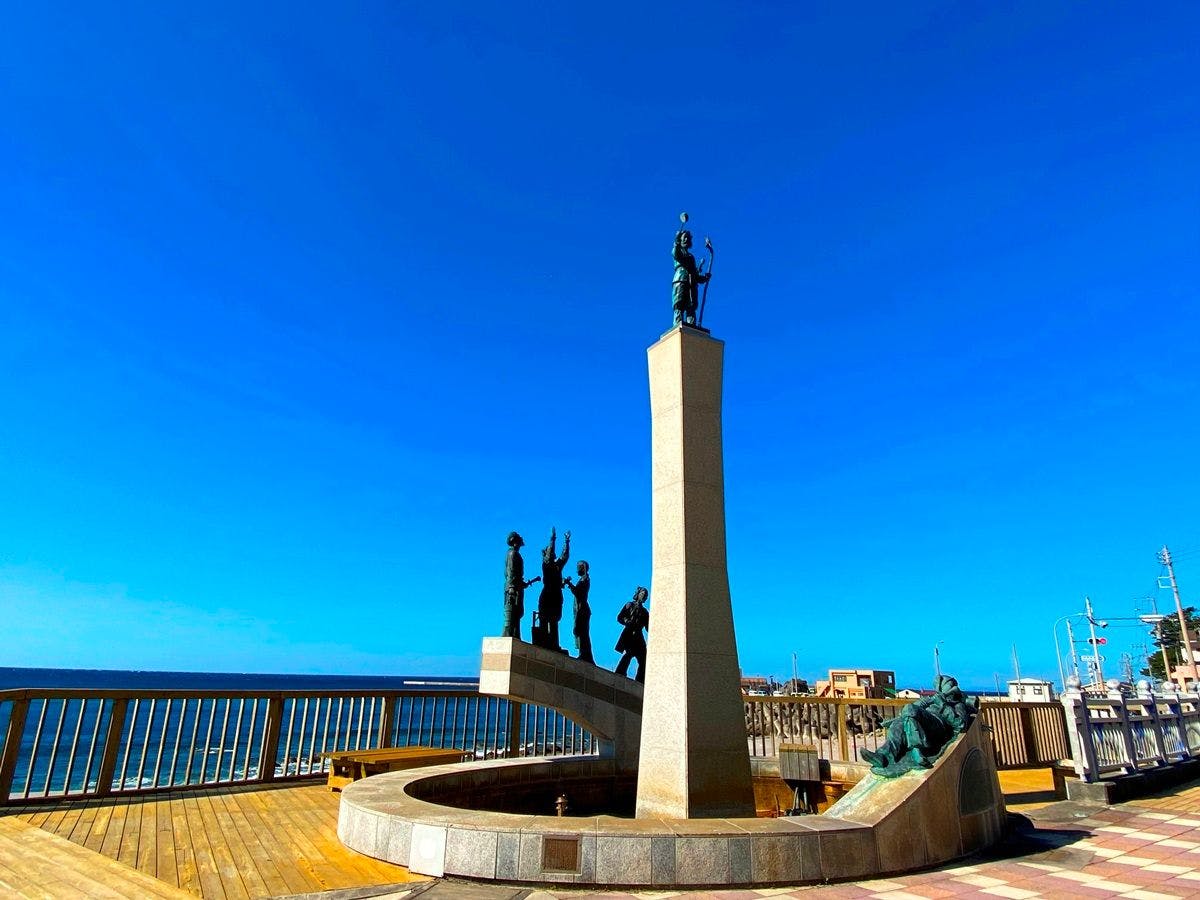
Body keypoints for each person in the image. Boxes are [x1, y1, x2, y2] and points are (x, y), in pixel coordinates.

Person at [537, 528, 570, 651]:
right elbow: (550, 553)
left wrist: (567, 541)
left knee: (554, 621)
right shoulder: (546, 565)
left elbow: (565, 556)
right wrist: (553, 539)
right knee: (544, 620)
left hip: (556, 595)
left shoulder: (557, 567)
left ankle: (554, 644)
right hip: (547, 595)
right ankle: (543, 642)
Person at [502, 532, 539, 639]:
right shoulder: (512, 554)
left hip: (517, 586)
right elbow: (511, 571)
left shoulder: (515, 554)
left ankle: (515, 634)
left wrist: (522, 584)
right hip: (513, 588)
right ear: (515, 542)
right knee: (511, 611)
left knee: (517, 612)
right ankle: (508, 633)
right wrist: (512, 587)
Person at [672, 228, 710, 327]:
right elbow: (675, 254)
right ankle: (677, 326)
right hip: (680, 280)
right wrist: (676, 243)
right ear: (679, 240)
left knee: (691, 307)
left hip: (691, 283)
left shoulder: (691, 257)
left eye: (688, 238)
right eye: (684, 238)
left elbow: (695, 275)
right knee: (679, 305)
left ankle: (691, 328)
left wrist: (704, 278)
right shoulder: (678, 251)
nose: (686, 240)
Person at [615, 586, 650, 683]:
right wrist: (627, 620)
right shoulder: (629, 605)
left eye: (646, 596)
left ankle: (640, 680)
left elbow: (648, 627)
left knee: (644, 659)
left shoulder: (645, 612)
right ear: (638, 595)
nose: (644, 597)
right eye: (643, 594)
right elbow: (620, 617)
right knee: (629, 654)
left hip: (639, 636)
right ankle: (619, 673)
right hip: (629, 634)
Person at [564, 561, 593, 664]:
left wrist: (569, 584)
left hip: (582, 610)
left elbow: (578, 593)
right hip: (580, 610)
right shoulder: (582, 580)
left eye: (578, 568)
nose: (576, 570)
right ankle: (583, 654)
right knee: (580, 632)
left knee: (582, 632)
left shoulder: (585, 579)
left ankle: (585, 655)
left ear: (582, 568)